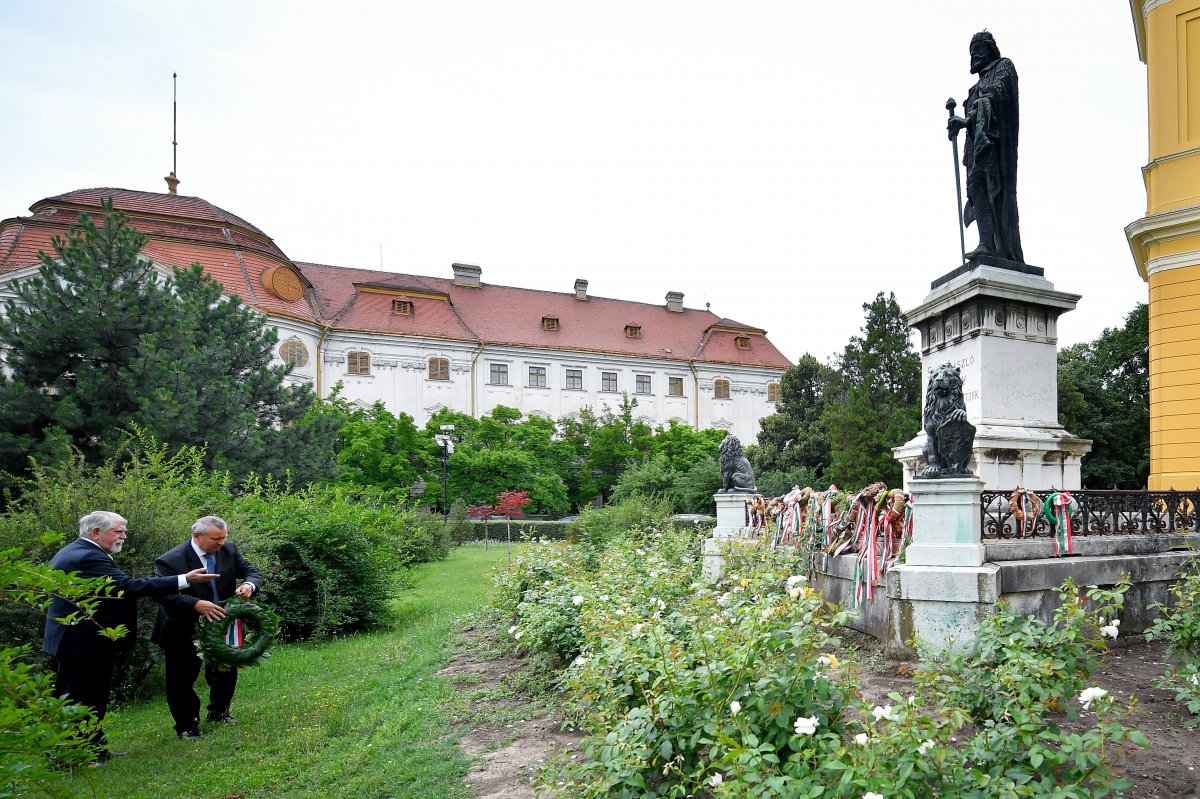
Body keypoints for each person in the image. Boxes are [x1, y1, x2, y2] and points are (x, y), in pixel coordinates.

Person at [43, 511, 218, 761]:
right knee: (79, 698)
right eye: (118, 531)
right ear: (96, 532)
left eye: (123, 530)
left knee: (90, 697)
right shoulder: (86, 556)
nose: (124, 536)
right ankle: (68, 756)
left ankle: (93, 748)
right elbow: (127, 587)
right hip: (80, 643)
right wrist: (184, 579)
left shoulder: (79, 551)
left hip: (82, 641)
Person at [152, 515, 263, 739]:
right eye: (216, 539)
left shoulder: (228, 549)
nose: (221, 543)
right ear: (197, 536)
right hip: (182, 627)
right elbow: (162, 594)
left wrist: (249, 585)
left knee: (225, 670)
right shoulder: (170, 560)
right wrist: (194, 604)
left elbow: (253, 572)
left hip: (221, 624)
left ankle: (219, 711)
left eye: (224, 538)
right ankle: (187, 725)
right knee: (181, 679)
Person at [947, 30, 1024, 263]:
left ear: (989, 50)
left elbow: (997, 95)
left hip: (995, 147)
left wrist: (967, 119)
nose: (973, 57)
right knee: (976, 187)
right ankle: (986, 243)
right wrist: (958, 126)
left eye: (977, 51)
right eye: (971, 54)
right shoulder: (974, 88)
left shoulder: (1004, 67)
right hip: (976, 149)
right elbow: (974, 110)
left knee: (992, 188)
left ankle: (996, 246)